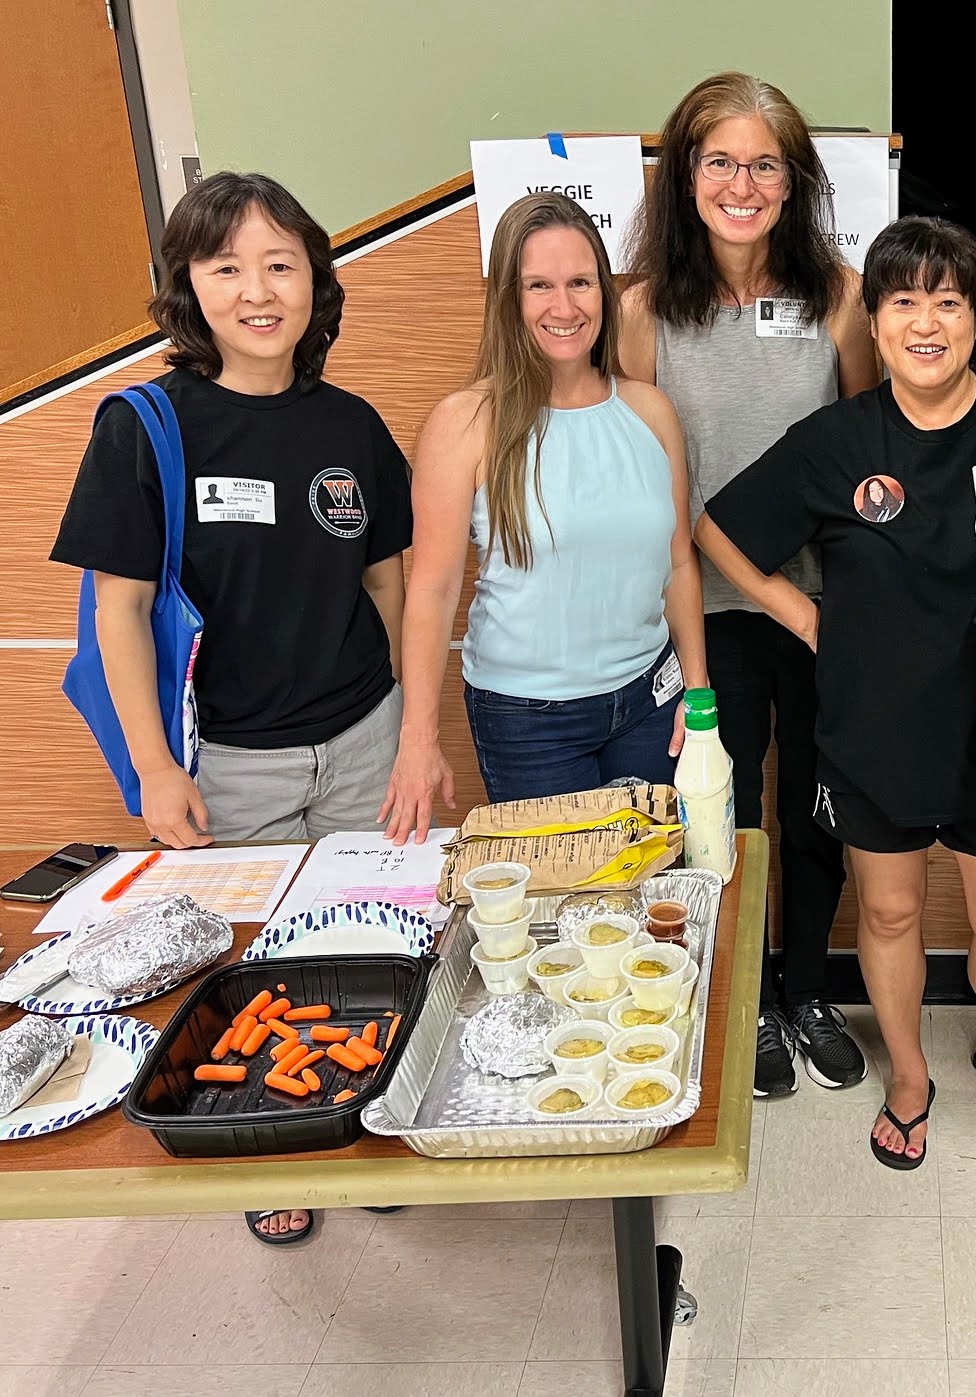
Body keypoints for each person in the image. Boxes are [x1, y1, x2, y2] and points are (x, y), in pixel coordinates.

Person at [51, 171, 413, 1246]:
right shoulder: (147, 425)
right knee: (251, 965)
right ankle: (264, 1140)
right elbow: (117, 609)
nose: (257, 290)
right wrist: (157, 769)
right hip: (230, 761)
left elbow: (387, 579)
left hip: (360, 737)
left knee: (366, 944)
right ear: (190, 288)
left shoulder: (351, 421)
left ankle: (352, 1109)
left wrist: (403, 723)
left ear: (314, 281)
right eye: (226, 267)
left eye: (279, 263)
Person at [696, 216, 976, 1168]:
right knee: (893, 912)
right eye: (903, 301)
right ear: (872, 321)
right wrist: (802, 614)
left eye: (949, 301)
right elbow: (716, 527)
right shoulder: (835, 439)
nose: (927, 321)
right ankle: (910, 1071)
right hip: (873, 725)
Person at [618, 71, 879, 1100]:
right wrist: (763, 595)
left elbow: (871, 460)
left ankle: (809, 988)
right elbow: (647, 482)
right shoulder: (639, 311)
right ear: (684, 175)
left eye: (764, 163)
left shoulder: (840, 296)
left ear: (793, 180)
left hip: (824, 614)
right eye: (719, 160)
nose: (741, 182)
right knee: (719, 817)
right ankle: (747, 999)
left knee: (818, 808)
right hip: (705, 618)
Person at [378, 192, 706, 833]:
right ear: (508, 298)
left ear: (605, 294)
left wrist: (697, 693)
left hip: (647, 704)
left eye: (581, 282)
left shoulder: (651, 413)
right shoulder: (465, 423)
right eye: (539, 286)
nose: (564, 307)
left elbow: (678, 563)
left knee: (647, 899)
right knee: (564, 911)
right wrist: (416, 738)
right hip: (527, 722)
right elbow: (435, 588)